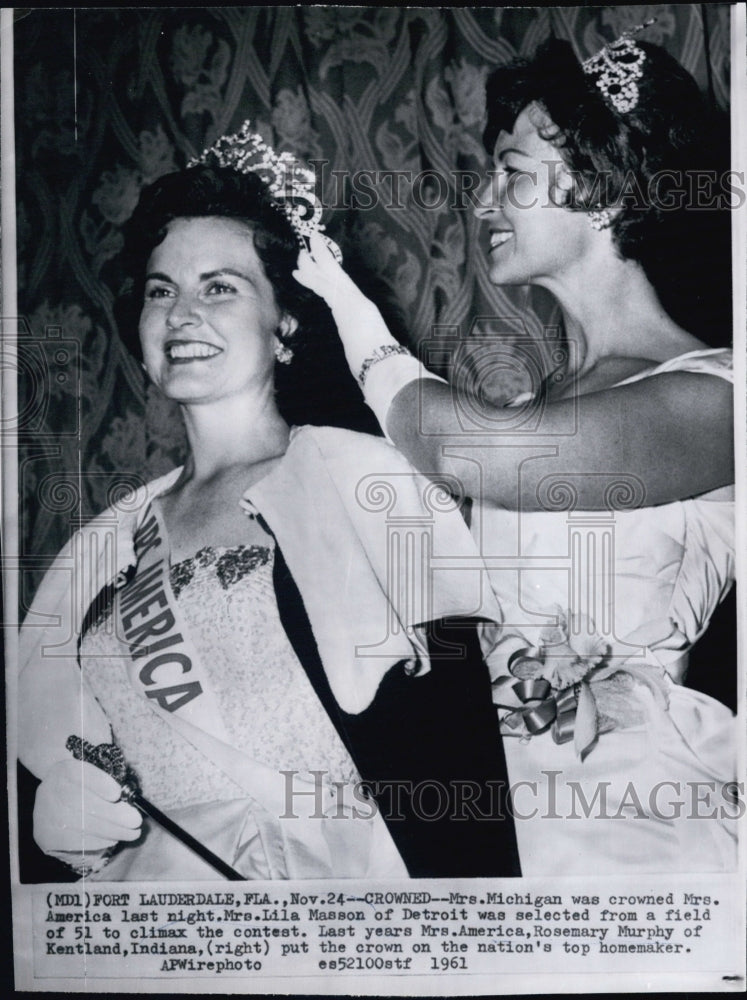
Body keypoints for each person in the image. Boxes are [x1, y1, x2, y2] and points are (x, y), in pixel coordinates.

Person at [17, 129, 522, 881]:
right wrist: (54, 830)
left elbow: (456, 754)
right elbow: (50, 767)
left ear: (284, 324)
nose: (182, 314)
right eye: (162, 290)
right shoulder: (98, 547)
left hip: (339, 915)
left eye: (220, 286)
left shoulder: (361, 478)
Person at [294, 27, 738, 874]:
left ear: (602, 190)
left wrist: (346, 309)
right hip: (495, 802)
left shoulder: (718, 393)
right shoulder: (537, 404)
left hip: (630, 822)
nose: (483, 199)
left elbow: (479, 456)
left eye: (512, 171)